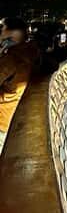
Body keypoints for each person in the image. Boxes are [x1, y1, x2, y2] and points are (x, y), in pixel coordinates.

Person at [0, 17, 41, 151]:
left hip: (3, 119)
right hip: (18, 116)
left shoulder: (10, 59)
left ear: (8, 33)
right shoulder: (32, 52)